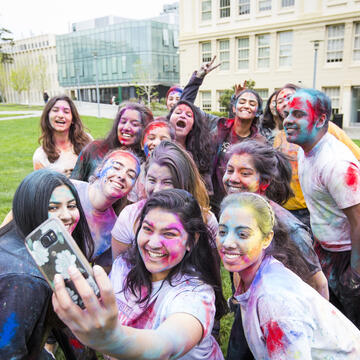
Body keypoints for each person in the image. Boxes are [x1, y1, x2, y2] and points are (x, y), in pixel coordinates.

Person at [52, 189, 228, 359]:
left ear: (192, 240)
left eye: (169, 233)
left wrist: (112, 338)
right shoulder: (123, 265)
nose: (153, 243)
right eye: (148, 229)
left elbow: (165, 345)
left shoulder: (195, 294)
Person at [218, 192, 360, 359]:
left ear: (267, 239)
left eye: (242, 234)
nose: (227, 242)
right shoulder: (254, 273)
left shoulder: (274, 303)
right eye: (222, 232)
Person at [283, 88, 360, 328]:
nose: (287, 120)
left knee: (352, 325)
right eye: (287, 113)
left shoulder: (336, 163)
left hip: (348, 256)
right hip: (326, 251)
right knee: (333, 321)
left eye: (297, 114)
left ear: (320, 119)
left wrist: (356, 273)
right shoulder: (304, 150)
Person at [0, 169, 94, 359]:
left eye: (72, 205)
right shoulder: (24, 279)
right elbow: (8, 352)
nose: (67, 215)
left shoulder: (37, 246)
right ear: (29, 208)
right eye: (53, 208)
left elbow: (67, 323)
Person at [111, 140, 218, 261]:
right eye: (152, 180)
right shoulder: (130, 216)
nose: (157, 190)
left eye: (167, 182)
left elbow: (211, 271)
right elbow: (118, 270)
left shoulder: (206, 221)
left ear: (184, 184)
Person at [273, 83, 360, 227]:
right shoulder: (288, 140)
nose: (285, 103)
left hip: (317, 212)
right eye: (279, 102)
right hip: (291, 209)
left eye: (289, 97)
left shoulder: (335, 157)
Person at [71, 149, 140, 271]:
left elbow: (101, 275)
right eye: (116, 167)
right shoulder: (69, 189)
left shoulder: (114, 230)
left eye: (130, 175)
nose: (122, 176)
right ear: (100, 169)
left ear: (132, 190)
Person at [211, 89, 266, 216]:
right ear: (234, 108)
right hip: (215, 202)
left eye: (252, 104)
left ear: (257, 112)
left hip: (243, 204)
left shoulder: (260, 142)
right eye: (242, 102)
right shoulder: (219, 131)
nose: (246, 105)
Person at [71, 102, 152, 182]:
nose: (126, 127)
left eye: (134, 124)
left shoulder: (147, 160)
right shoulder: (94, 149)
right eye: (123, 122)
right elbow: (73, 184)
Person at [33, 95, 93, 177]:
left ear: (73, 119)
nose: (61, 115)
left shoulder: (88, 141)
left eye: (66, 111)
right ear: (47, 117)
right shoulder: (40, 157)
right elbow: (42, 188)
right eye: (55, 110)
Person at [167, 100, 214, 193]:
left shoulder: (200, 155)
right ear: (169, 119)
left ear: (193, 126)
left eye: (188, 115)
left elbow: (207, 193)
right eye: (178, 112)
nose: (183, 116)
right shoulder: (157, 147)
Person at [128, 119, 176, 203]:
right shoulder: (136, 171)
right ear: (142, 144)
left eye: (163, 140)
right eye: (151, 138)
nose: (156, 143)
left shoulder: (175, 171)